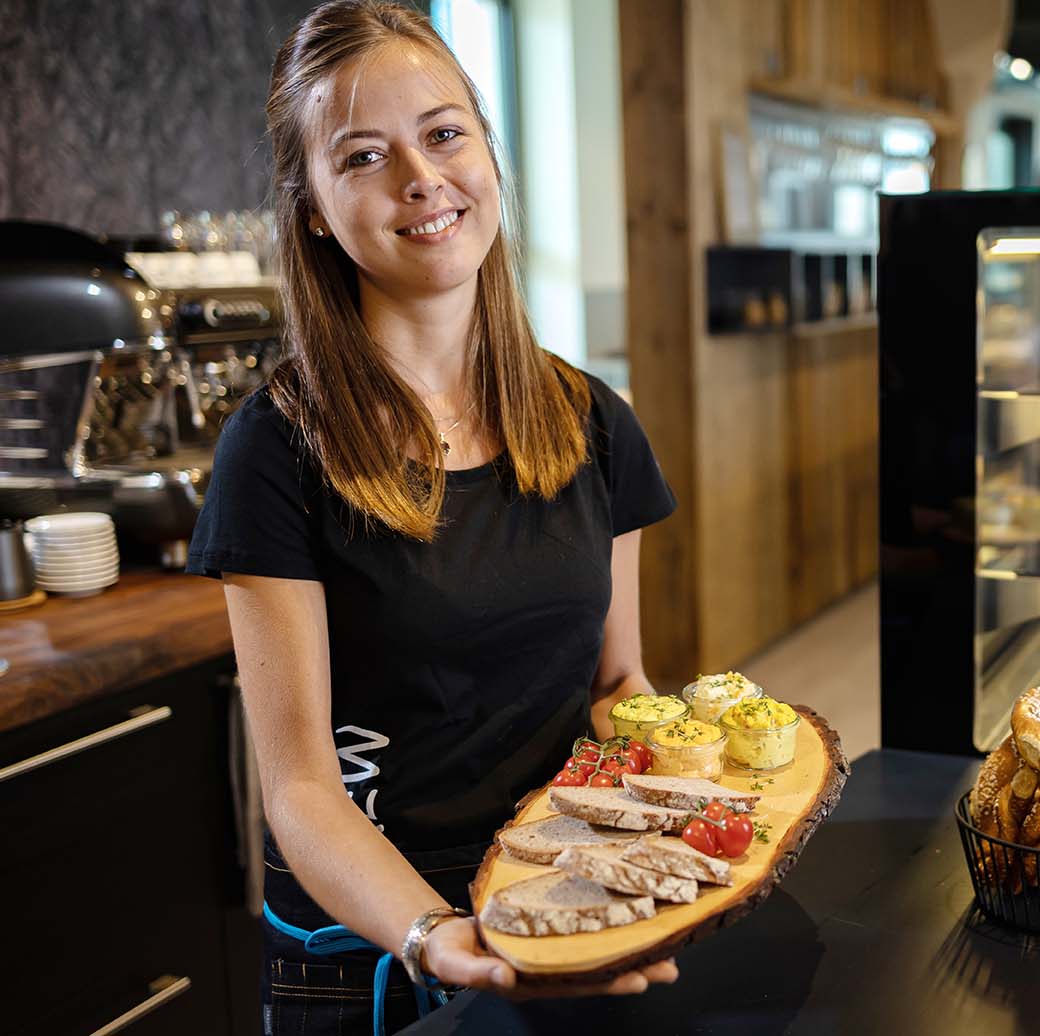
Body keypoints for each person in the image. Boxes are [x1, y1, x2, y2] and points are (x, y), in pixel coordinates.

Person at [185, 2, 679, 1031]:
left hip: (565, 903)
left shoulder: (593, 422)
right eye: (365, 155)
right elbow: (302, 788)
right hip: (373, 947)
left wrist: (675, 819)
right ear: (314, 206)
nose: (421, 177)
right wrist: (434, 931)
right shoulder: (274, 451)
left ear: (487, 155)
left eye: (445, 133)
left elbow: (617, 683)